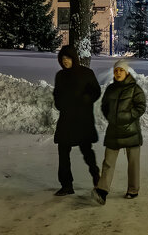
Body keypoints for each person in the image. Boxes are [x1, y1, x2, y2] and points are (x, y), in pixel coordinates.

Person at [93, 59, 147, 204]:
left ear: (126, 72)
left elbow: (141, 107)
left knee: (133, 163)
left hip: (131, 131)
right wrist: (111, 117)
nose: (118, 73)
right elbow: (104, 106)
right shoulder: (111, 89)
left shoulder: (135, 89)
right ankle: (102, 191)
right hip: (114, 131)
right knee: (108, 162)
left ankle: (133, 190)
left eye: (121, 70)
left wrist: (127, 117)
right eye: (116, 70)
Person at [53, 45, 102, 196]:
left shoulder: (86, 73)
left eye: (68, 58)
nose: (65, 61)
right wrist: (60, 104)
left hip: (82, 119)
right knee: (63, 151)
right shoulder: (60, 75)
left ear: (74, 58)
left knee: (86, 151)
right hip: (66, 119)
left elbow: (96, 91)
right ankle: (66, 185)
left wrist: (87, 99)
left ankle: (97, 178)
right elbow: (57, 94)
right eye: (63, 58)